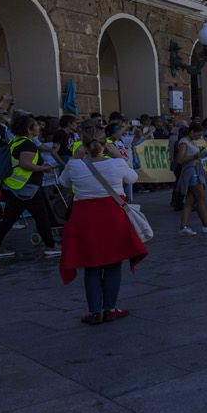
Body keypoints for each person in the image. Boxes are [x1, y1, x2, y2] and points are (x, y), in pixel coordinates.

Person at [57, 124, 147, 325]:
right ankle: (111, 307)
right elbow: (132, 178)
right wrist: (119, 157)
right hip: (112, 217)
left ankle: (94, 311)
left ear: (83, 144)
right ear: (105, 144)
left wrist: (76, 157)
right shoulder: (116, 164)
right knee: (114, 264)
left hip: (85, 220)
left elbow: (63, 182)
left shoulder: (75, 165)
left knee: (92, 265)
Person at [0, 114, 61, 259]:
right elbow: (25, 164)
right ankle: (51, 245)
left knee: (9, 219)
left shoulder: (16, 141)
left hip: (13, 187)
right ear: (29, 129)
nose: (39, 127)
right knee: (41, 216)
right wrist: (43, 169)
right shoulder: (28, 144)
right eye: (36, 125)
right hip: (26, 187)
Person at [174, 125, 207, 235]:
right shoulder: (184, 142)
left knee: (190, 201)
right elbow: (180, 160)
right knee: (200, 199)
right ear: (191, 132)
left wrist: (201, 155)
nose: (199, 137)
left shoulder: (189, 141)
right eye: (198, 134)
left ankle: (183, 227)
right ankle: (206, 225)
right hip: (192, 171)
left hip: (194, 169)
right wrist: (196, 156)